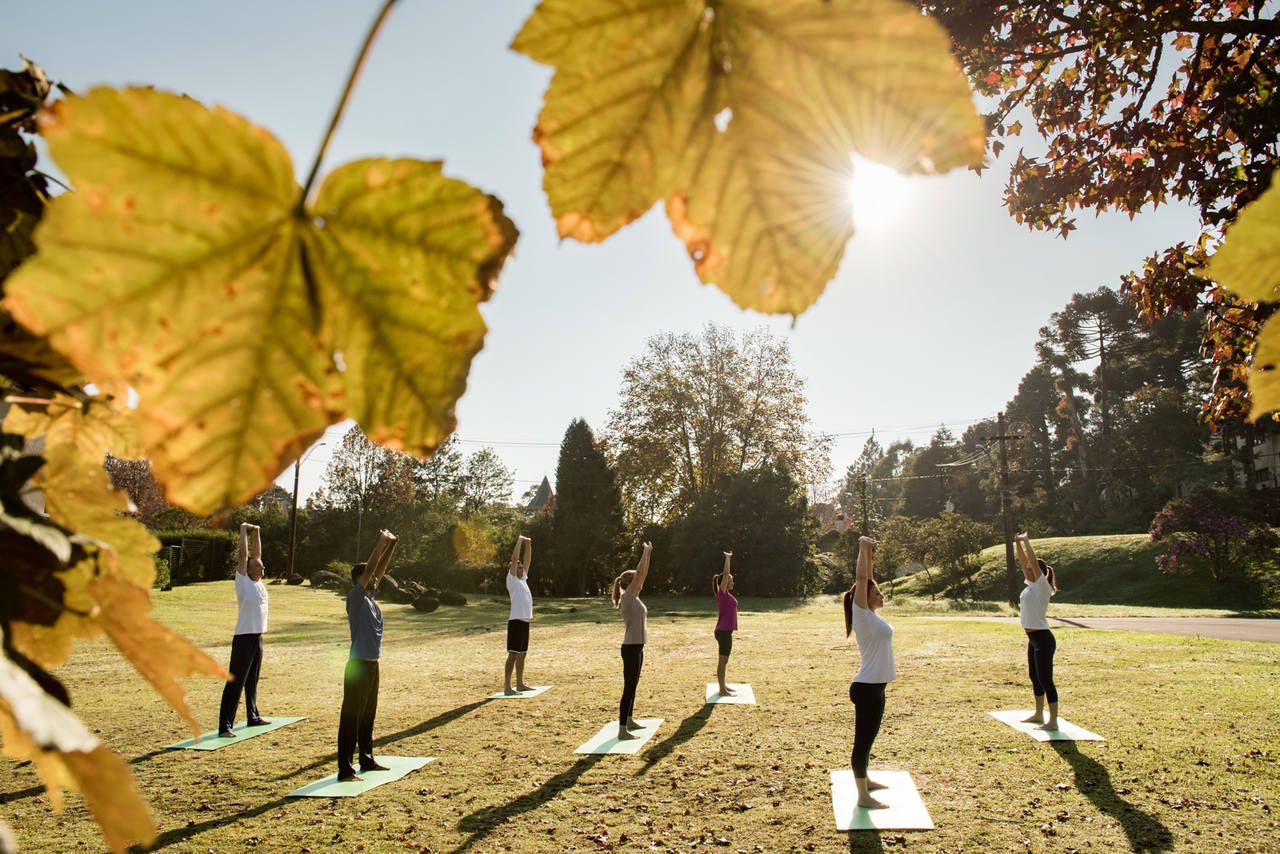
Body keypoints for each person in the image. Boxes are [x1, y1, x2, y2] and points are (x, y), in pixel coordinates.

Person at [337, 529, 398, 781]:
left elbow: (379, 570)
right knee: (352, 717)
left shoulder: (370, 599)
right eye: (370, 576)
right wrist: (380, 542)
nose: (375, 578)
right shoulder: (356, 598)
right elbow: (373, 567)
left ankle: (366, 759)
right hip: (358, 666)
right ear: (361, 579)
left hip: (373, 665)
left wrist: (392, 545)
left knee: (368, 715)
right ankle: (345, 768)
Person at [843, 536, 894, 809]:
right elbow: (863, 578)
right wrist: (863, 546)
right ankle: (863, 797)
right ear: (863, 598)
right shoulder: (861, 613)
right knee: (862, 742)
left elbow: (869, 577)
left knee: (870, 737)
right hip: (866, 688)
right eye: (878, 593)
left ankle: (866, 779)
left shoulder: (871, 616)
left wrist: (871, 550)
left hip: (876, 686)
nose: (881, 595)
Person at [218, 522, 270, 738]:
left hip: (258, 637)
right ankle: (225, 726)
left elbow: (256, 555)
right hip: (244, 638)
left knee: (252, 680)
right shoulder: (243, 581)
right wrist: (243, 530)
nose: (262, 568)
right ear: (248, 570)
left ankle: (252, 715)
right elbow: (245, 555)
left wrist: (257, 532)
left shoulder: (258, 583)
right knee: (236, 682)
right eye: (258, 566)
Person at [1016, 532, 1059, 730]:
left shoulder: (1042, 587)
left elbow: (1031, 559)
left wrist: (1026, 541)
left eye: (1031, 569)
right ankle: (1038, 714)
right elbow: (1024, 561)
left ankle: (1052, 721)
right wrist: (1017, 543)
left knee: (1045, 679)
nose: (1027, 569)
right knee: (1034, 676)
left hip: (1043, 638)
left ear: (1039, 572)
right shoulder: (1030, 585)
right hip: (1032, 638)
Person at [611, 541, 652, 740]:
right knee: (629, 687)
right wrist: (644, 552)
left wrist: (649, 554)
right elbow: (639, 573)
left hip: (637, 647)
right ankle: (621, 729)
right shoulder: (627, 597)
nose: (641, 581)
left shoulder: (634, 598)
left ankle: (629, 720)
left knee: (633, 684)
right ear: (630, 584)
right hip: (630, 648)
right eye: (636, 580)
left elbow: (642, 573)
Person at [504, 535, 534, 695]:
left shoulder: (523, 579)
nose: (521, 567)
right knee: (513, 654)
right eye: (518, 566)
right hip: (515, 621)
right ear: (514, 568)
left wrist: (529, 544)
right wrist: (520, 540)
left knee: (522, 654)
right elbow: (516, 557)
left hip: (524, 621)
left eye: (522, 567)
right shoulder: (512, 579)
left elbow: (527, 559)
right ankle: (507, 687)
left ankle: (520, 684)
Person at [712, 551, 738, 696]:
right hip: (723, 632)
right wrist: (728, 558)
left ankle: (724, 686)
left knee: (724, 661)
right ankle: (722, 689)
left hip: (725, 632)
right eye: (731, 580)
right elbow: (726, 572)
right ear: (725, 582)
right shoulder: (722, 594)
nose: (733, 582)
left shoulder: (726, 595)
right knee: (722, 661)